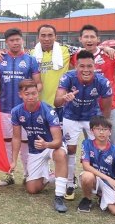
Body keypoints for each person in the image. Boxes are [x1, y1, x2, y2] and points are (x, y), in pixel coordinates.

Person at [55, 50, 113, 200]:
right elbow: (56, 102)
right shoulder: (68, 77)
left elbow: (106, 108)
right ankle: (69, 182)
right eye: (82, 66)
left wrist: (104, 127)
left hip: (92, 118)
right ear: (76, 66)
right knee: (71, 149)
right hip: (71, 117)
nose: (86, 70)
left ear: (94, 66)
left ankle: (101, 183)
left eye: (89, 66)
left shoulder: (102, 81)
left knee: (100, 147)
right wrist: (64, 98)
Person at [9, 80, 70, 213]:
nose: (31, 97)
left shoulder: (48, 111)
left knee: (60, 154)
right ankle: (49, 176)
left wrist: (46, 144)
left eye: (34, 93)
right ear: (20, 95)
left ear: (38, 93)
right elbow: (16, 137)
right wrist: (13, 161)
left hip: (51, 145)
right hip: (35, 149)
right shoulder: (16, 112)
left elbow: (58, 141)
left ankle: (59, 197)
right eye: (27, 94)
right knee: (32, 189)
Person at [0, 28, 40, 186]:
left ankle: (28, 175)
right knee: (6, 141)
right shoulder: (0, 59)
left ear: (22, 40)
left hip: (25, 110)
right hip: (4, 107)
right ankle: (8, 174)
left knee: (26, 142)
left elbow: (38, 83)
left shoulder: (30, 60)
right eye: (12, 40)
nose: (15, 43)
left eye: (18, 40)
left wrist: (31, 95)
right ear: (6, 42)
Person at [77, 115, 115, 215]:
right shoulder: (87, 143)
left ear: (110, 132)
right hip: (95, 179)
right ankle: (87, 199)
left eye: (105, 129)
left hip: (109, 183)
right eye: (98, 129)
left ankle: (102, 197)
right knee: (87, 176)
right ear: (92, 130)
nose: (101, 132)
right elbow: (86, 166)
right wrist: (107, 178)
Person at [33, 25, 73, 109]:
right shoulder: (31, 54)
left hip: (61, 102)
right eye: (43, 35)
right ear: (38, 37)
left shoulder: (67, 50)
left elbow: (90, 49)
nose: (47, 39)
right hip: (39, 104)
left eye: (50, 35)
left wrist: (105, 48)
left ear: (55, 37)